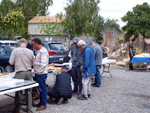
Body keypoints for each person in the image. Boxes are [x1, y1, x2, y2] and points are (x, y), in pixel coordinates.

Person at [9, 38, 34, 113]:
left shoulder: (15, 51)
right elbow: (33, 63)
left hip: (19, 73)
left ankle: (17, 108)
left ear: (19, 44)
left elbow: (11, 63)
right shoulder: (30, 51)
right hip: (29, 72)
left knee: (19, 91)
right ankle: (29, 108)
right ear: (26, 44)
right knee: (29, 91)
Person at [32, 38, 49, 111]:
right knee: (40, 89)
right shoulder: (40, 51)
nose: (33, 47)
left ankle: (43, 105)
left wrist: (39, 72)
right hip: (39, 73)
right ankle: (41, 102)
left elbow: (43, 63)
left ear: (36, 43)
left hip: (41, 74)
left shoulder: (43, 51)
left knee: (42, 89)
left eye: (33, 45)